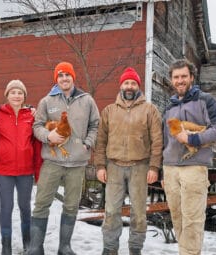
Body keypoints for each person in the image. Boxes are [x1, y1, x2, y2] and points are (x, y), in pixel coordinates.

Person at [27, 61, 100, 255]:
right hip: (51, 162)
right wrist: (47, 136)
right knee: (42, 203)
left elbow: (95, 125)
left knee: (71, 205)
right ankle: (35, 247)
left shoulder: (87, 100)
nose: (64, 78)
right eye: (60, 75)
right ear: (56, 79)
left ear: (73, 77)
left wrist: (88, 142)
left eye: (67, 75)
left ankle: (64, 246)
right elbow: (37, 126)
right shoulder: (47, 101)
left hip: (77, 163)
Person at [94, 67, 163, 255]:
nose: (129, 86)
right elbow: (100, 140)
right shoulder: (108, 111)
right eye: (126, 82)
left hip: (140, 167)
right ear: (121, 85)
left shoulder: (150, 110)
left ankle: (135, 249)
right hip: (113, 166)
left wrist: (154, 167)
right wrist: (100, 165)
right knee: (111, 211)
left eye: (133, 83)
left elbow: (157, 141)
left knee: (139, 213)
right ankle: (109, 248)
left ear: (138, 86)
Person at [162, 59, 216, 255]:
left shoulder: (206, 100)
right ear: (171, 80)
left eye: (183, 76)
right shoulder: (169, 107)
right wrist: (161, 171)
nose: (180, 80)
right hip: (170, 168)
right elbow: (165, 141)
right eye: (176, 77)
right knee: (178, 218)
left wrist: (194, 138)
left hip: (194, 167)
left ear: (191, 77)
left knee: (192, 219)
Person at [0, 80, 42, 255]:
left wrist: (37, 171)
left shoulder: (31, 115)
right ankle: (6, 246)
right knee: (6, 207)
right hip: (3, 170)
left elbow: (36, 145)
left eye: (20, 93)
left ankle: (27, 242)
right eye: (13, 92)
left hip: (25, 170)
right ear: (7, 95)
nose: (16, 96)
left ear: (24, 96)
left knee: (25, 207)